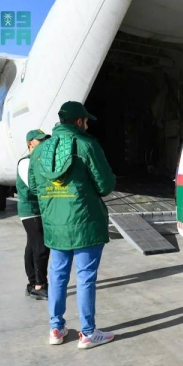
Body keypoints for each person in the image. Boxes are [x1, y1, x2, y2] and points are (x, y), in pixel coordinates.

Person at [29, 101, 116, 349]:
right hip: (85, 222)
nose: (87, 125)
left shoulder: (38, 152)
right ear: (79, 122)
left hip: (55, 226)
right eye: (86, 121)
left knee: (57, 276)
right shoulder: (87, 145)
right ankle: (87, 332)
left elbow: (34, 188)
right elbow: (105, 185)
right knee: (86, 277)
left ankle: (56, 328)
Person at [17, 129, 51, 300]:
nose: (44, 143)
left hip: (37, 210)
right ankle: (40, 285)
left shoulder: (38, 161)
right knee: (41, 247)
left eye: (45, 140)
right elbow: (34, 187)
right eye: (40, 141)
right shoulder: (25, 162)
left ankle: (32, 283)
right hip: (31, 210)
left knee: (32, 247)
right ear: (30, 144)